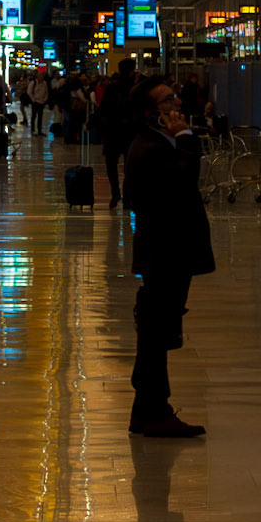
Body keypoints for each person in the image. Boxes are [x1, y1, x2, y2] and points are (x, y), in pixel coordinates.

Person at [123, 77, 215, 438]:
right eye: (168, 100)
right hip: (165, 253)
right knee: (156, 332)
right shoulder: (150, 148)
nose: (177, 104)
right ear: (152, 112)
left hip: (166, 251)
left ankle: (147, 410)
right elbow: (185, 179)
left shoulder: (156, 143)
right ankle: (154, 410)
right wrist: (187, 139)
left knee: (157, 330)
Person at [96, 56, 138, 209]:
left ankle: (115, 193)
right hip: (130, 133)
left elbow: (103, 109)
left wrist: (94, 125)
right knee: (129, 167)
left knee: (111, 165)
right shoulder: (135, 89)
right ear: (132, 72)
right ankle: (128, 199)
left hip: (112, 132)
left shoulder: (112, 87)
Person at [27, 67, 49, 135]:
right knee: (34, 116)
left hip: (42, 102)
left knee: (40, 117)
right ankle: (33, 130)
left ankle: (39, 131)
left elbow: (46, 92)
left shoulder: (44, 83)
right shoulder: (33, 83)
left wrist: (45, 99)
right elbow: (29, 92)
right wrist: (33, 100)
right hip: (35, 102)